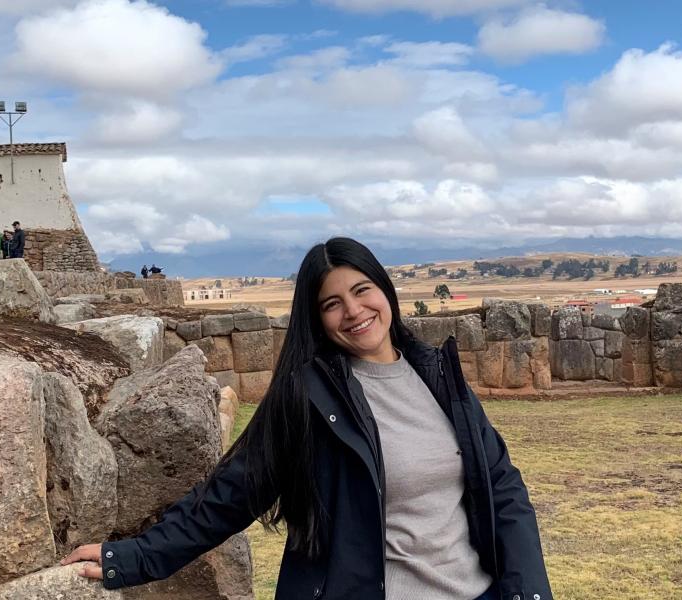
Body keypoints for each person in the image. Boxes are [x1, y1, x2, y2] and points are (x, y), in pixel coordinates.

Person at [62, 237, 553, 600]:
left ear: (385, 290)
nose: (354, 311)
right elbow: (227, 497)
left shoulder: (438, 375)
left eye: (362, 291)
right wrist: (132, 557)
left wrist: (528, 590)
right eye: (332, 304)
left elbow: (502, 486)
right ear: (316, 319)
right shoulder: (309, 398)